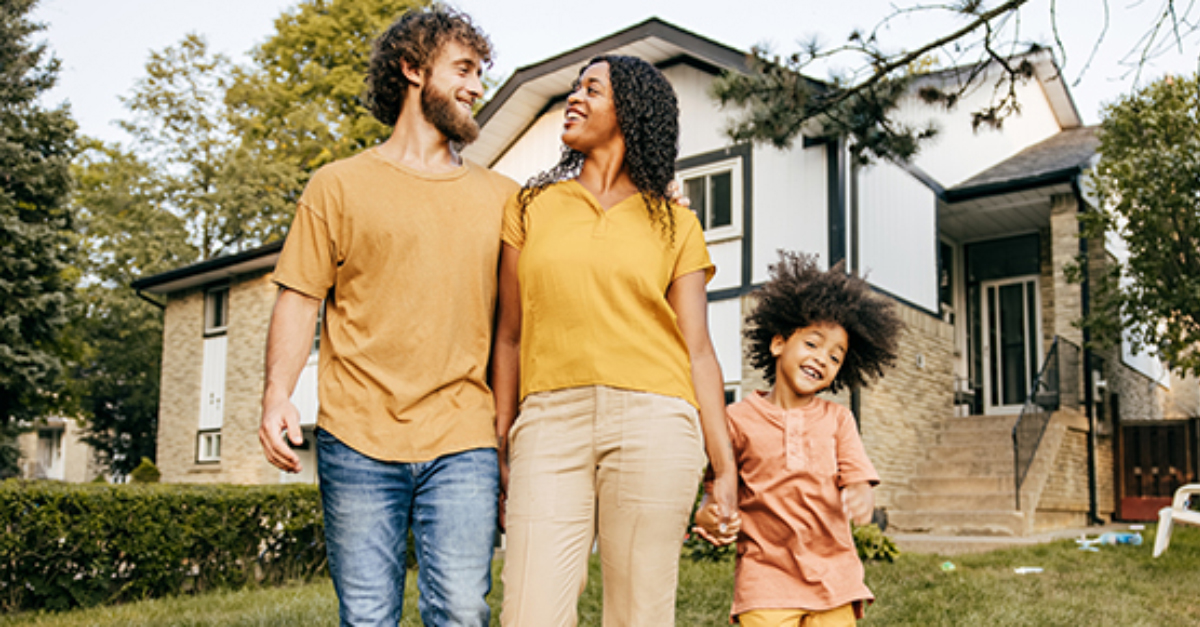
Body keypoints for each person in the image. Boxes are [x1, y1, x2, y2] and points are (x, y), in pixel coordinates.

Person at [257, 7, 517, 626]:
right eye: (463, 69)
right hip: (357, 438)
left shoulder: (502, 197)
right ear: (410, 68)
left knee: (460, 609)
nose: (477, 86)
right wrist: (277, 396)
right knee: (368, 615)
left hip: (464, 438)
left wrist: (652, 187)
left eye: (480, 73)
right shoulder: (337, 186)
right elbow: (298, 297)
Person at [491, 54, 739, 627]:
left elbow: (697, 349)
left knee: (640, 614)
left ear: (629, 110)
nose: (573, 98)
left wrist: (723, 470)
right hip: (549, 422)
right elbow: (509, 336)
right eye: (574, 88)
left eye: (592, 90)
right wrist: (502, 439)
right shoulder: (531, 207)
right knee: (528, 611)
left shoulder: (675, 223)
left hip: (656, 420)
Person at [693, 251, 904, 627]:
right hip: (765, 580)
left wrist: (860, 492)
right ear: (778, 344)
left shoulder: (838, 420)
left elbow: (858, 478)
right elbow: (717, 491)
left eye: (835, 357)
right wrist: (711, 516)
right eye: (812, 344)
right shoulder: (737, 420)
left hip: (834, 580)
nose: (822, 358)